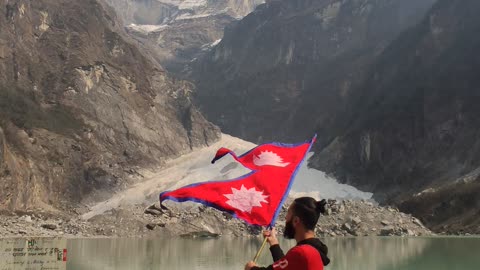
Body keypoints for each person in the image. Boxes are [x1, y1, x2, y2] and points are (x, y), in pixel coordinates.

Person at [245, 197, 331, 270]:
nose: (286, 217)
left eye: (288, 213)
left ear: (296, 221)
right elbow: (286, 266)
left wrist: (251, 268)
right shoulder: (313, 250)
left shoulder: (302, 252)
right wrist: (273, 242)